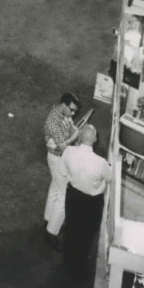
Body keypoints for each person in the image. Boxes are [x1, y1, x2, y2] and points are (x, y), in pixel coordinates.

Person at [59, 125, 112, 276]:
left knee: (71, 227)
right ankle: (79, 267)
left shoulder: (69, 151)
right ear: (95, 139)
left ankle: (67, 260)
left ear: (80, 138)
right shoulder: (100, 162)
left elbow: (62, 172)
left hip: (73, 196)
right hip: (91, 202)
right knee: (86, 234)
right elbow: (110, 178)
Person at [43, 92, 81, 251]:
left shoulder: (63, 113)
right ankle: (51, 232)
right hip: (57, 158)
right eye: (71, 110)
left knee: (55, 188)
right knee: (65, 196)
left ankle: (48, 218)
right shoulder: (53, 122)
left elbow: (71, 127)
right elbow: (63, 147)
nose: (73, 114)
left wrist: (74, 131)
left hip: (58, 158)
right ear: (64, 105)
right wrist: (77, 135)